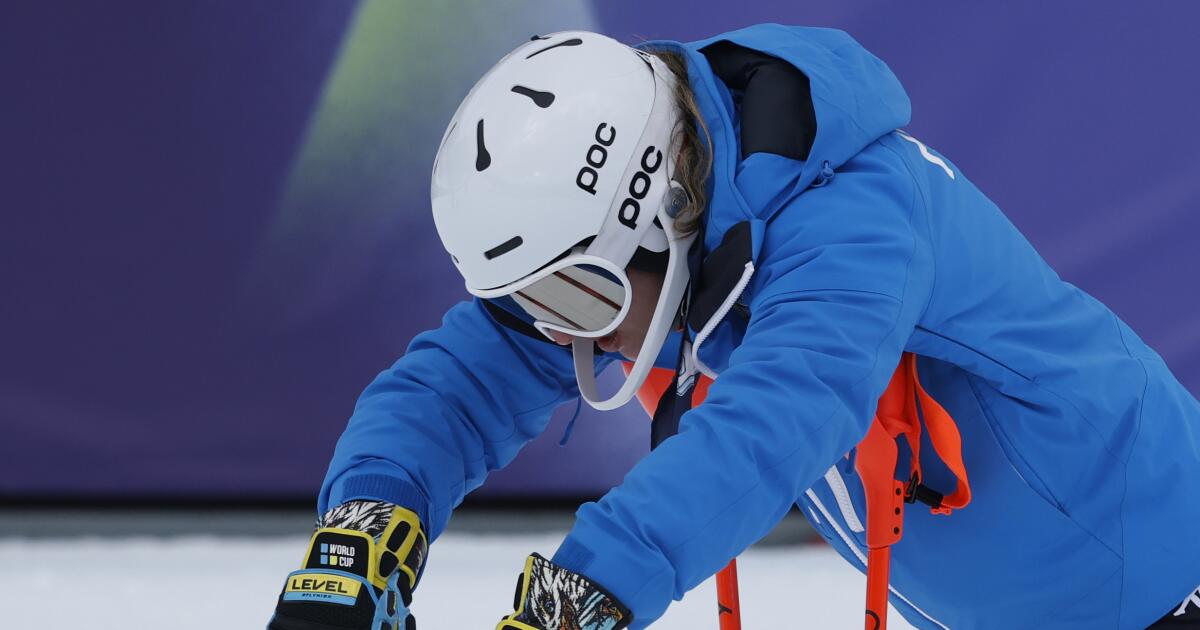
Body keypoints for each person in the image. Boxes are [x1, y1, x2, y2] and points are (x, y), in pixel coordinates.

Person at [266, 25, 1200, 630]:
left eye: (578, 302)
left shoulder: (855, 221)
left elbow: (774, 422)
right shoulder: (680, 222)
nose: (571, 342)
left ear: (661, 208)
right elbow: (461, 381)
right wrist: (366, 523)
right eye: (540, 306)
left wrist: (581, 596)